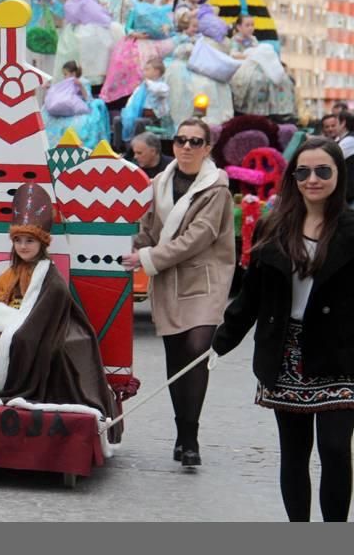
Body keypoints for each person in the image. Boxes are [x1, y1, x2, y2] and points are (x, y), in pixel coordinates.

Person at [212, 137, 354, 522]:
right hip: (285, 355)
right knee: (294, 453)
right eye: (303, 171)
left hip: (340, 355)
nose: (312, 179)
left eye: (323, 171)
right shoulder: (273, 227)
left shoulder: (352, 229)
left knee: (336, 449)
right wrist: (222, 340)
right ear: (293, 177)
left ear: (339, 176)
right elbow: (251, 295)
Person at [0, 184, 120, 437]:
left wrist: (19, 326)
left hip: (38, 326)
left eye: (29, 241)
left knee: (19, 341)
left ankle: (3, 387)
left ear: (41, 243)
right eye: (19, 241)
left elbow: (50, 308)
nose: (24, 246)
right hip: (11, 322)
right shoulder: (8, 274)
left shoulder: (50, 274)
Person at [121, 118, 235, 467]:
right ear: (173, 145)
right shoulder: (157, 184)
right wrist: (128, 249)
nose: (187, 146)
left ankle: (191, 436)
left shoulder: (217, 189)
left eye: (196, 141)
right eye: (182, 140)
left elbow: (198, 237)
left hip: (205, 279)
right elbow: (148, 229)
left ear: (207, 148)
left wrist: (147, 258)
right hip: (168, 279)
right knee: (176, 360)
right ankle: (182, 434)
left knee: (197, 350)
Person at [119, 58, 171, 144]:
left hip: (153, 118)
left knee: (138, 122)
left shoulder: (162, 86)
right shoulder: (141, 87)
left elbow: (156, 90)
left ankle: (134, 147)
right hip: (138, 114)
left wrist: (147, 82)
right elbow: (131, 101)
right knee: (118, 120)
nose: (144, 72)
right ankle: (120, 147)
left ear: (156, 71)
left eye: (147, 69)